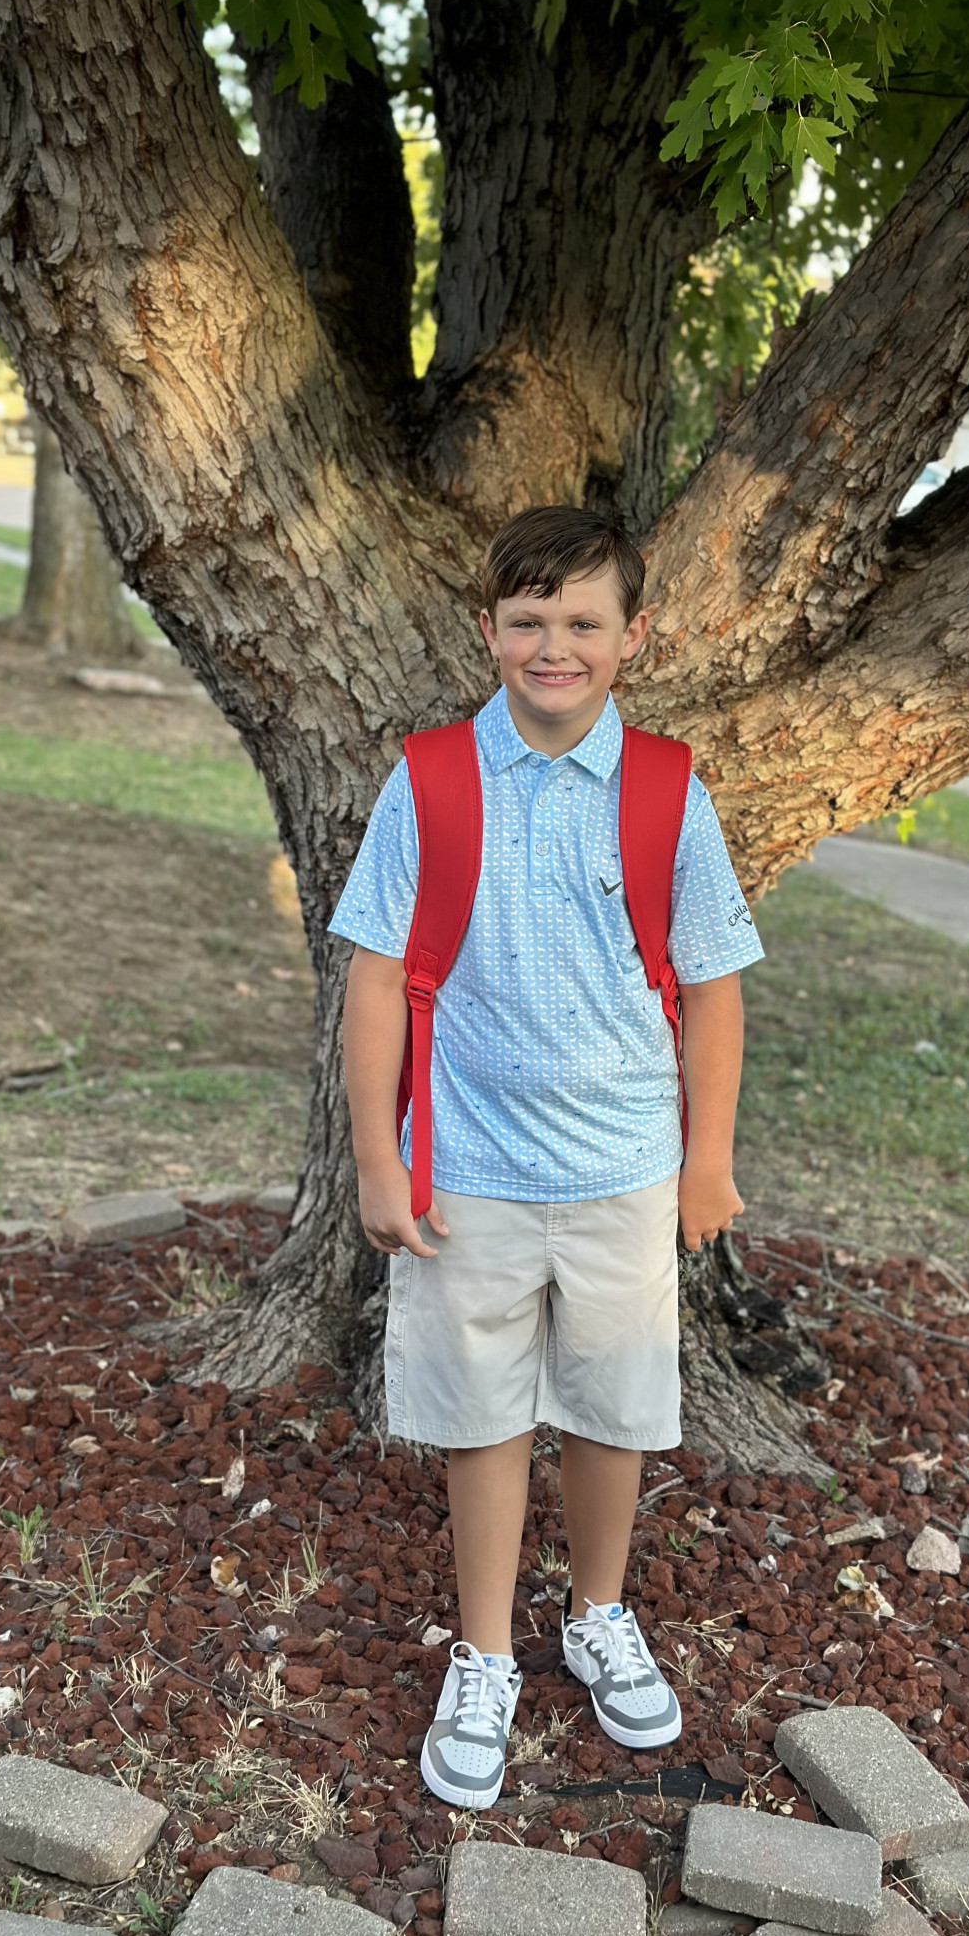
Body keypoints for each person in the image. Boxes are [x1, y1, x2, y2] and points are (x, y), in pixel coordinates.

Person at [329, 505, 764, 1809]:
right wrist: (376, 1160)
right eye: (529, 620)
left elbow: (713, 988)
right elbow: (373, 978)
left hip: (627, 1167)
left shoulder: (668, 790)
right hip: (466, 1171)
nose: (554, 645)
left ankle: (598, 1613)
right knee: (481, 1413)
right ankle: (482, 1653)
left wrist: (707, 1160)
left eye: (583, 621)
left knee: (613, 1404)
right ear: (489, 630)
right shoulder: (431, 780)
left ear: (635, 635)